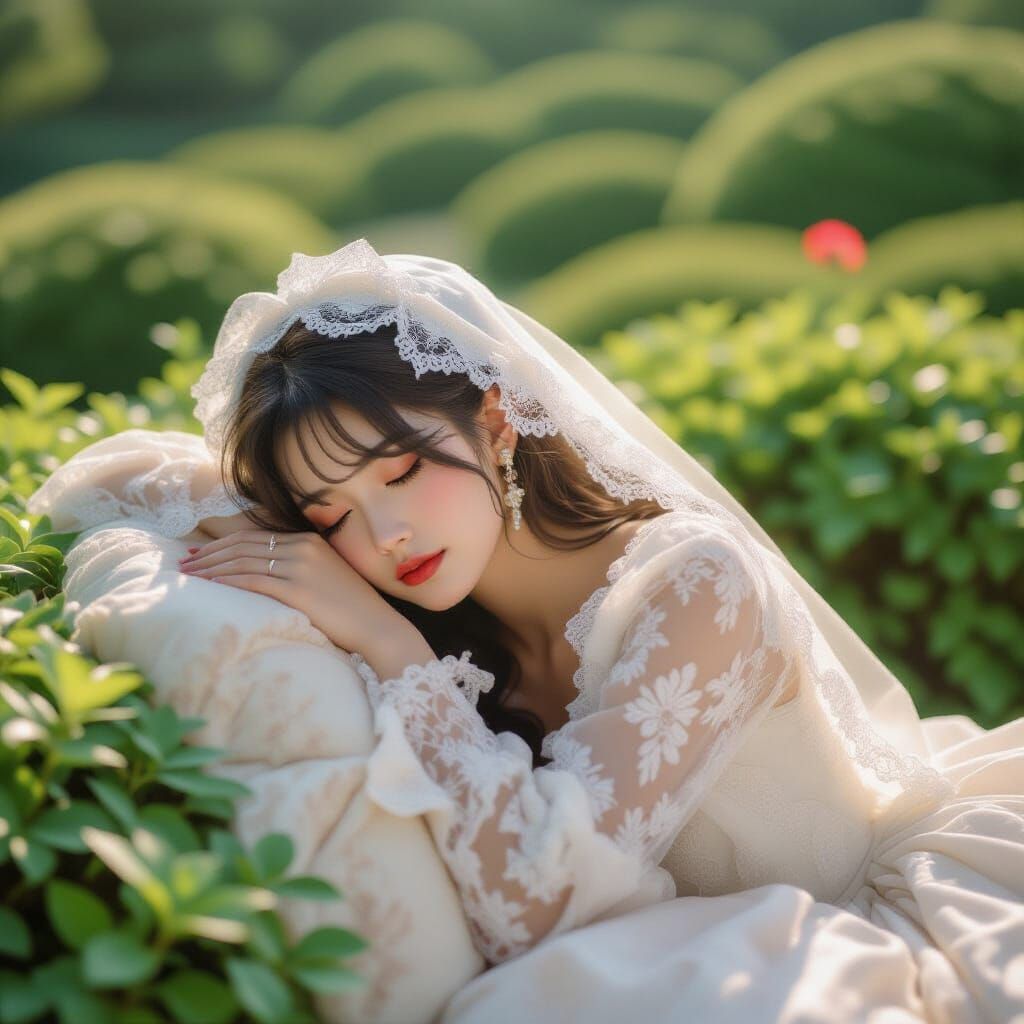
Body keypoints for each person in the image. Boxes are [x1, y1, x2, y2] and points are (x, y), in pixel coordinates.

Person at [27, 238, 1024, 1021]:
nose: (384, 535)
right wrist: (285, 501)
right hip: (699, 929)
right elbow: (93, 489)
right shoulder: (450, 607)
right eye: (327, 512)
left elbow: (534, 907)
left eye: (402, 468)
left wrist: (388, 646)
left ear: (498, 420)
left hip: (878, 920)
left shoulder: (697, 586)